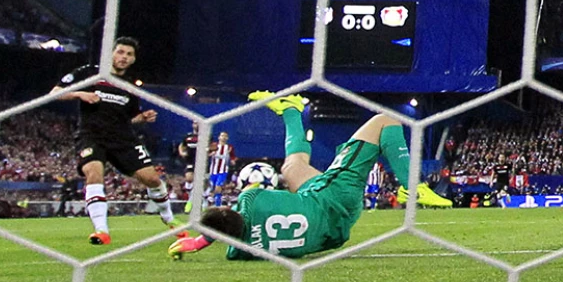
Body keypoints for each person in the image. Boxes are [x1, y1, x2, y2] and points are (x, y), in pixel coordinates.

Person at [168, 90, 452, 260]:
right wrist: (205, 234)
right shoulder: (249, 199)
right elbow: (248, 200)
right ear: (229, 210)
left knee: (292, 167)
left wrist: (200, 241)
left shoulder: (240, 252)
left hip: (333, 234)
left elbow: (228, 228)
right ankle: (412, 186)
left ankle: (291, 111)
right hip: (334, 197)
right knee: (385, 121)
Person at [50, 36, 187, 245]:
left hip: (123, 138)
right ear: (111, 53)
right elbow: (55, 94)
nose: (124, 57)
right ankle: (101, 231)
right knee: (93, 172)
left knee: (152, 179)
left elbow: (130, 117)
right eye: (120, 52)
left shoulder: (130, 86)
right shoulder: (89, 72)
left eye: (129, 54)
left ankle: (169, 219)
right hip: (92, 135)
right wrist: (80, 94)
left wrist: (142, 118)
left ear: (133, 59)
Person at [208, 131, 236, 207]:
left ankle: (217, 205)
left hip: (223, 171)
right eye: (222, 136)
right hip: (213, 171)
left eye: (225, 136)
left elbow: (233, 157)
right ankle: (215, 201)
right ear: (219, 137)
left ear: (227, 138)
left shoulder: (229, 147)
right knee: (214, 188)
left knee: (218, 186)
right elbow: (207, 154)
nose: (223, 137)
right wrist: (210, 154)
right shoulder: (214, 146)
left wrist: (233, 161)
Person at [178, 121, 199, 213]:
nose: (196, 125)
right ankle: (190, 198)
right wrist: (181, 152)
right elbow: (181, 145)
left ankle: (196, 204)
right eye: (195, 123)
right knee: (189, 179)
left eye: (198, 123)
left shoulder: (206, 135)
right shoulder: (188, 136)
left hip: (201, 161)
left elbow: (212, 146)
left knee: (201, 184)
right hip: (190, 161)